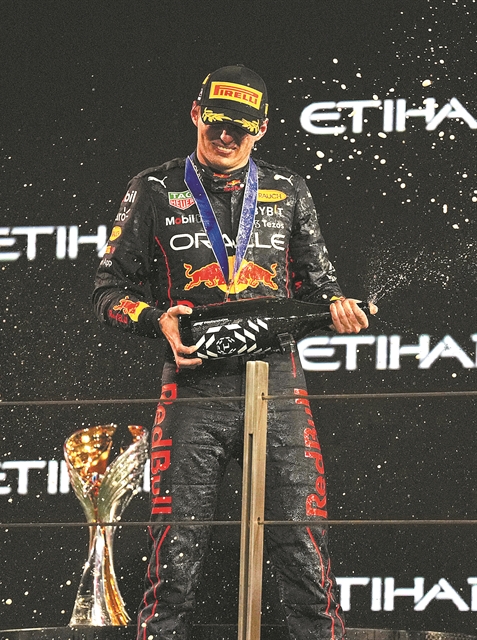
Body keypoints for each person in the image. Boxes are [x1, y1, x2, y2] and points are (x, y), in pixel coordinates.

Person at [93, 64, 375, 640]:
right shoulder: (154, 188)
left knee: (303, 542)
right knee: (175, 553)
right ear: (196, 113)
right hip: (191, 387)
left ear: (261, 129)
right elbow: (107, 293)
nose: (226, 136)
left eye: (240, 127)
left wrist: (338, 307)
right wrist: (155, 320)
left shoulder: (288, 189)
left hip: (277, 386)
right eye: (216, 122)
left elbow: (319, 287)